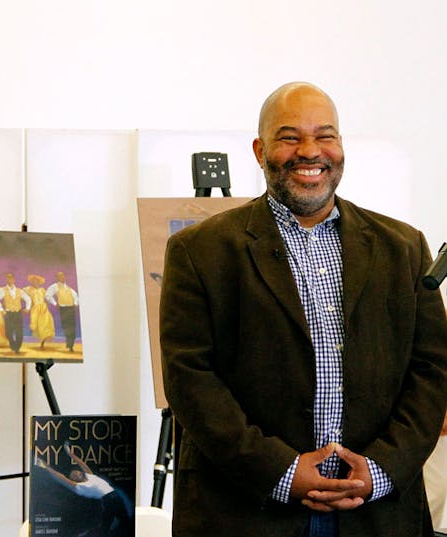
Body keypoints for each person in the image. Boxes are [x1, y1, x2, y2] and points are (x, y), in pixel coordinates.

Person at [159, 82, 447, 537]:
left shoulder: (404, 248)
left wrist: (383, 468)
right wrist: (282, 472)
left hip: (378, 513)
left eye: (325, 135)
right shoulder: (199, 252)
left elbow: (431, 371)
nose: (310, 151)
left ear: (341, 145)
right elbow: (190, 379)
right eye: (289, 137)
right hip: (246, 512)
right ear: (260, 150)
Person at [35, 442, 132, 536]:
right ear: (74, 480)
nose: (77, 472)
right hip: (109, 500)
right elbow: (62, 478)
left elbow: (81, 463)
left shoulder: (90, 476)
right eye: (74, 475)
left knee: (117, 523)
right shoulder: (80, 487)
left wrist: (70, 453)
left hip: (115, 497)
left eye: (76, 471)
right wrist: (46, 467)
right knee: (110, 525)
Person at [0, 272, 31, 354]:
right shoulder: (3, 290)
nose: (9, 280)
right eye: (8, 278)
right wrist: (1, 309)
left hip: (18, 313)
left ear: (14, 280)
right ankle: (13, 344)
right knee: (8, 332)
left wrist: (27, 308)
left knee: (19, 332)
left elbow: (28, 299)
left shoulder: (19, 290)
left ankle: (17, 348)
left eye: (11, 278)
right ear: (6, 279)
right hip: (9, 313)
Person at [45, 271, 80, 352]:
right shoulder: (55, 286)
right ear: (57, 278)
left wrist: (75, 303)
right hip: (63, 309)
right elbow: (48, 295)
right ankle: (69, 343)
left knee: (72, 327)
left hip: (71, 308)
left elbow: (75, 296)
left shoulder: (68, 287)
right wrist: (54, 303)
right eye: (60, 276)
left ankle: (71, 345)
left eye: (63, 275)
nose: (62, 277)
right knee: (66, 327)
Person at [24, 274, 55, 349]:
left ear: (39, 282)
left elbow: (46, 299)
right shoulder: (28, 289)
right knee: (35, 326)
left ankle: (42, 342)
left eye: (37, 281)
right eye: (33, 280)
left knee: (45, 324)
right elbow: (23, 295)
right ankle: (41, 339)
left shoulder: (42, 290)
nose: (35, 282)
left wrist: (46, 307)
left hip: (43, 308)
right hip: (35, 309)